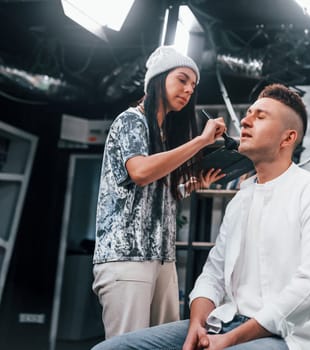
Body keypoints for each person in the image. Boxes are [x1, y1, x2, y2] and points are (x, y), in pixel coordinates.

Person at [92, 83, 310, 350]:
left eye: (260, 117)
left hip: (288, 335)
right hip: (226, 321)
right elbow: (212, 274)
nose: (245, 121)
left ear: (287, 138)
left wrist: (230, 339)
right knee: (109, 349)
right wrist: (196, 326)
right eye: (248, 114)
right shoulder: (242, 199)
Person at [92, 45, 227, 339]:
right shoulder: (131, 120)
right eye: (182, 80)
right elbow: (139, 172)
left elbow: (148, 193)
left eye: (193, 85)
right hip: (127, 256)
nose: (189, 89)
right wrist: (201, 142)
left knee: (163, 343)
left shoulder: (163, 135)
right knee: (127, 346)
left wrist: (187, 187)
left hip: (161, 257)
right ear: (158, 78)